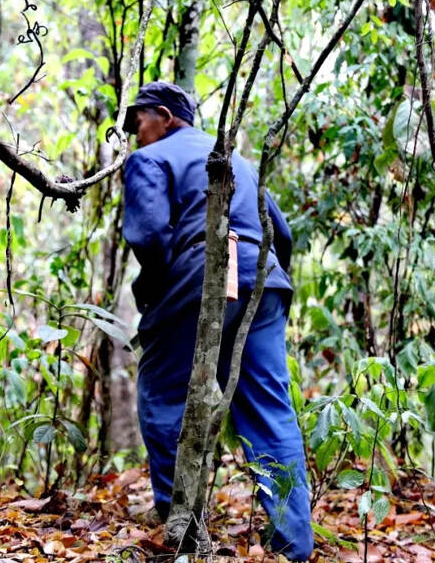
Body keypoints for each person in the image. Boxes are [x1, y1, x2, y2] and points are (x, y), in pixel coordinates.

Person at [120, 81, 313, 561]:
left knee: (164, 392)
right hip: (264, 278)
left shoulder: (150, 159)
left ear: (163, 116)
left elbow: (147, 235)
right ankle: (295, 542)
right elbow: (281, 232)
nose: (133, 133)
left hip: (202, 272)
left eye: (136, 121)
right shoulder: (237, 160)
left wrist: (162, 291)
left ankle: (181, 526)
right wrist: (262, 276)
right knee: (270, 407)